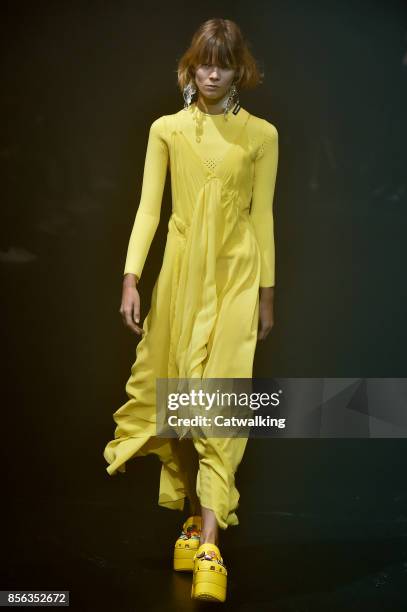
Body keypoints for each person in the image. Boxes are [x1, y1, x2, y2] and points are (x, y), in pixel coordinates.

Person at [103, 17, 279, 603]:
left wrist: (266, 293)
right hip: (179, 277)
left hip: (234, 276)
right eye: (204, 61)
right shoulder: (167, 131)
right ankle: (187, 523)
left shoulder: (261, 136)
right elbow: (148, 210)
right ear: (190, 65)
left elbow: (263, 218)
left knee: (220, 399)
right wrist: (131, 277)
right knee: (177, 396)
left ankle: (209, 545)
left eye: (223, 63)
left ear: (239, 71)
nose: (211, 71)